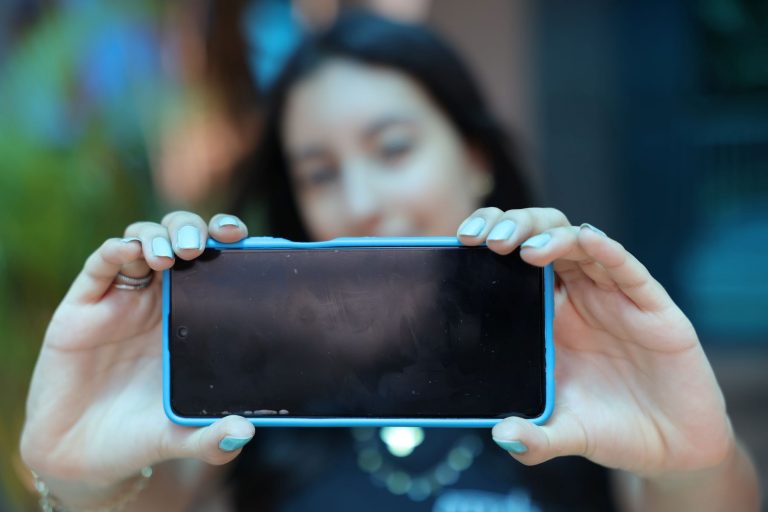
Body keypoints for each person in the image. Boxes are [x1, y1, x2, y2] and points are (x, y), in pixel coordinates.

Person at [20, 11, 760, 512]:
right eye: (319, 171)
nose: (363, 199)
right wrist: (80, 482)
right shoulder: (240, 404)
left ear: (474, 157)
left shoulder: (583, 372)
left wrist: (693, 460)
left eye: (394, 147)